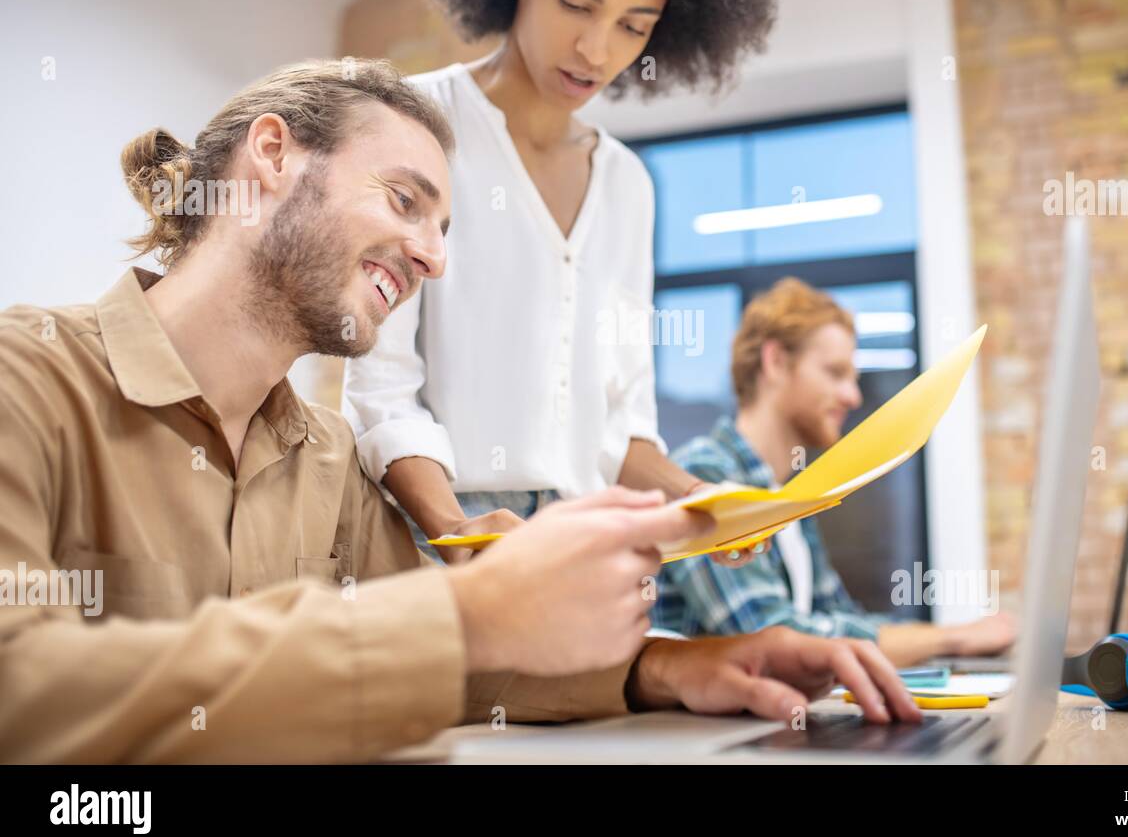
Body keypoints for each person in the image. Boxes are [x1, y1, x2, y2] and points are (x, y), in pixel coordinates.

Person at [0, 60, 921, 763]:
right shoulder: (26, 382)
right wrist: (472, 612)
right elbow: (21, 687)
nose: (434, 259)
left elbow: (458, 658)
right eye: (407, 202)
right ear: (273, 156)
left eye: (447, 229)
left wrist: (674, 669)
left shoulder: (328, 459)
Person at [344, 0, 789, 566]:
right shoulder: (418, 122)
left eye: (634, 26)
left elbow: (621, 427)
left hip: (576, 545)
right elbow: (380, 388)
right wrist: (453, 526)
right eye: (576, 4)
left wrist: (700, 497)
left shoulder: (627, 186)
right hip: (427, 530)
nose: (596, 49)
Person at [651, 278, 1017, 667]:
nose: (853, 396)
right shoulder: (701, 472)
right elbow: (771, 634)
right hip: (716, 727)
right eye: (835, 372)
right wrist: (954, 640)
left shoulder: (791, 497)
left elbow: (838, 617)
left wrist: (953, 638)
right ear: (775, 362)